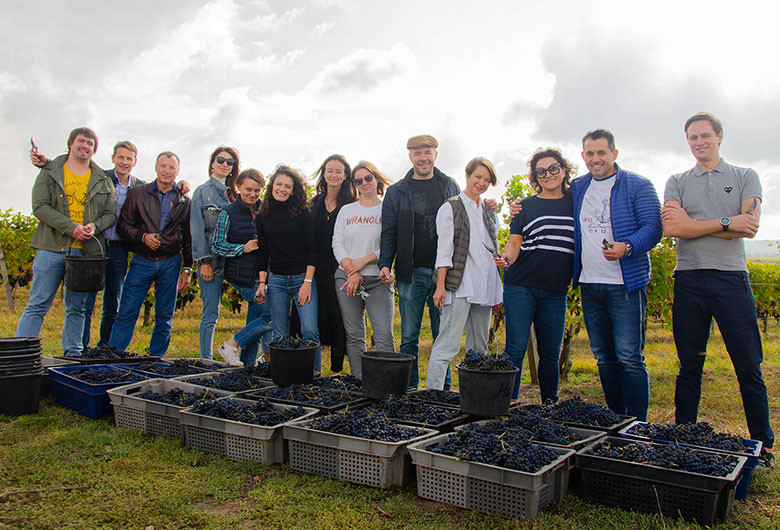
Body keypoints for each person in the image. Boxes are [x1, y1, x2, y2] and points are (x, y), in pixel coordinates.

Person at [663, 112, 774, 464]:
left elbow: (749, 228)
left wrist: (694, 224)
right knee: (688, 365)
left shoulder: (745, 176)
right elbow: (673, 230)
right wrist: (727, 221)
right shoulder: (677, 180)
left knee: (748, 365)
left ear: (719, 136)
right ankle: (684, 437)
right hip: (690, 279)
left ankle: (763, 443)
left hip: (730, 279)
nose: (699, 143)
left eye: (705, 136)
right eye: (693, 138)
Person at [30, 141, 190, 348]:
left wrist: (187, 266)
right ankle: (86, 349)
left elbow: (184, 229)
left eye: (129, 159)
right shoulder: (106, 180)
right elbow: (77, 169)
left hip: (129, 251)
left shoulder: (155, 191)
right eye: (120, 157)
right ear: (113, 158)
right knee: (89, 303)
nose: (124, 162)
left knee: (117, 304)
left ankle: (110, 347)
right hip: (95, 246)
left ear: (135, 162)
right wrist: (48, 163)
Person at [570, 129, 662, 421]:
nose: (595, 159)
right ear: (583, 155)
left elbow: (654, 228)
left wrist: (628, 247)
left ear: (614, 154)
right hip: (590, 283)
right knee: (603, 358)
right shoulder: (578, 187)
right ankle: (615, 417)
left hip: (624, 284)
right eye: (590, 153)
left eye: (601, 153)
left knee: (629, 358)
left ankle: (637, 424)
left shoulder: (637, 185)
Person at [16, 127, 117, 356]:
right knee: (38, 303)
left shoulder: (102, 179)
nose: (85, 146)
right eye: (81, 141)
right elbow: (40, 207)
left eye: (90, 143)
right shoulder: (51, 171)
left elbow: (111, 214)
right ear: (71, 144)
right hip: (51, 247)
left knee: (78, 308)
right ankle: (20, 355)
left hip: (86, 254)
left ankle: (72, 356)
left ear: (94, 149)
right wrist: (71, 228)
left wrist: (95, 226)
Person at [497, 149, 575, 401]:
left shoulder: (576, 203)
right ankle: (508, 406)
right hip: (521, 285)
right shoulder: (525, 207)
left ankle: (548, 406)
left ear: (563, 170)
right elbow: (514, 244)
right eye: (540, 171)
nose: (548, 175)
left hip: (556, 290)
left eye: (553, 168)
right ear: (535, 177)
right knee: (515, 350)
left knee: (551, 353)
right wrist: (505, 258)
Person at [425, 157, 502, 390]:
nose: (482, 183)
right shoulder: (451, 207)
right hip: (460, 285)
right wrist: (440, 287)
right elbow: (444, 251)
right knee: (447, 344)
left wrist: (497, 288)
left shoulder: (489, 210)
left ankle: (474, 396)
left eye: (487, 180)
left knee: (479, 347)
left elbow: (491, 249)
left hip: (484, 285)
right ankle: (433, 397)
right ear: (467, 175)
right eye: (478, 177)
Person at [108, 152, 192, 356]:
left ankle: (155, 358)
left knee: (164, 316)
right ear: (156, 168)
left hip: (170, 262)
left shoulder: (184, 200)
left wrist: (188, 268)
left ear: (177, 171)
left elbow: (189, 237)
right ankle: (114, 355)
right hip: (142, 260)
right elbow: (123, 226)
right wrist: (143, 236)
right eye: (163, 166)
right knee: (127, 311)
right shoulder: (138, 193)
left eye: (172, 167)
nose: (167, 170)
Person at [332, 161, 395, 378]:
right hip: (346, 279)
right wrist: (352, 270)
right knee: (354, 334)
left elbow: (389, 242)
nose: (364, 183)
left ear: (376, 178)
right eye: (358, 180)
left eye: (368, 178)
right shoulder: (346, 210)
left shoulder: (387, 209)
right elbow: (337, 242)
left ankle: (386, 382)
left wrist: (364, 262)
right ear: (354, 184)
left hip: (377, 280)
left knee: (384, 335)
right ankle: (361, 381)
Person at [255, 166, 320, 370]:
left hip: (302, 278)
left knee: (309, 330)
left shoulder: (302, 213)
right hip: (277, 282)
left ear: (293, 190)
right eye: (279, 184)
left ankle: (314, 374)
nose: (282, 189)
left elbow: (312, 249)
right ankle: (285, 376)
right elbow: (263, 252)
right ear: (272, 185)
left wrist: (307, 282)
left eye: (287, 186)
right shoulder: (263, 215)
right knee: (280, 334)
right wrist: (262, 283)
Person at [212, 169, 273, 368]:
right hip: (242, 275)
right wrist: (242, 248)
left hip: (262, 274)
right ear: (238, 187)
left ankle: (246, 368)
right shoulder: (228, 212)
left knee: (254, 323)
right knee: (270, 314)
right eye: (248, 189)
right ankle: (230, 345)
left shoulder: (264, 210)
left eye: (257, 190)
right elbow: (217, 244)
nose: (253, 194)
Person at [191, 146, 241, 362]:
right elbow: (197, 228)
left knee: (260, 307)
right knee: (211, 312)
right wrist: (204, 261)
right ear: (212, 162)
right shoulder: (202, 191)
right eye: (220, 160)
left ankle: (256, 356)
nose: (224, 164)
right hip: (212, 260)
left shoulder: (235, 195)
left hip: (236, 260)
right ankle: (206, 360)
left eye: (229, 162)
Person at [308, 154, 355, 372]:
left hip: (340, 268)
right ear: (323, 173)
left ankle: (337, 367)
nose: (333, 175)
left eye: (338, 171)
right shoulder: (314, 203)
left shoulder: (352, 205)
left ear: (345, 176)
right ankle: (311, 365)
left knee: (339, 317)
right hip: (314, 268)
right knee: (313, 317)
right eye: (329, 170)